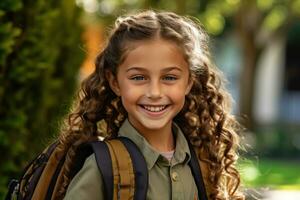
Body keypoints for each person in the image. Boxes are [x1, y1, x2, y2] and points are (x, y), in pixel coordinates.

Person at [55, 10, 244, 200]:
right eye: (138, 77)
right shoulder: (102, 167)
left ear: (188, 83)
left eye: (169, 78)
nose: (154, 92)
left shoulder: (204, 162)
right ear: (115, 83)